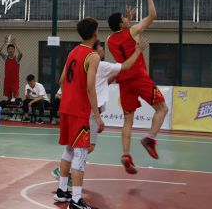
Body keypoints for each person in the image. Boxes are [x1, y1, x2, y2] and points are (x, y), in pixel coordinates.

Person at [51, 38, 150, 187]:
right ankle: (65, 175)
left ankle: (63, 174)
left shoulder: (83, 62)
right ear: (95, 50)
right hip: (90, 110)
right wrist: (138, 51)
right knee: (86, 147)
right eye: (101, 47)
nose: (103, 49)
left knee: (73, 146)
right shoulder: (101, 65)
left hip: (78, 109)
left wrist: (116, 74)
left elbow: (99, 83)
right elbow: (127, 66)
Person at [107, 0, 169, 175]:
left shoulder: (109, 40)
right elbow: (152, 16)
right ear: (121, 24)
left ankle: (126, 155)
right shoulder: (133, 31)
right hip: (139, 77)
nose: (128, 18)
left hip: (124, 81)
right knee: (162, 108)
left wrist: (128, 23)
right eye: (125, 18)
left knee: (128, 120)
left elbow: (124, 39)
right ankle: (150, 138)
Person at [54, 18, 103, 209]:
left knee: (69, 149)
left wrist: (71, 94)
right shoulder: (93, 56)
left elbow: (61, 80)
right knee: (81, 153)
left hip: (66, 108)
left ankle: (61, 190)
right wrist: (97, 116)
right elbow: (90, 88)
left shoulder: (73, 52)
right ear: (95, 33)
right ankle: (76, 200)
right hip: (79, 111)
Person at [0, 35, 23, 102]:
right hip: (7, 81)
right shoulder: (6, 57)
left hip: (15, 81)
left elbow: (21, 53)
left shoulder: (17, 58)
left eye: (12, 49)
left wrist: (15, 44)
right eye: (9, 49)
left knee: (16, 98)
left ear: (14, 50)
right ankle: (9, 108)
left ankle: (16, 108)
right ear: (7, 51)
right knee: (9, 98)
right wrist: (4, 43)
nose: (10, 50)